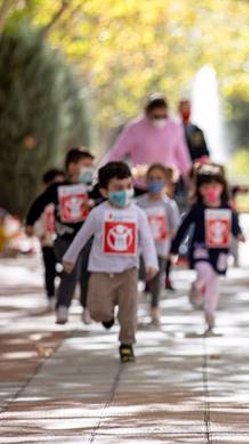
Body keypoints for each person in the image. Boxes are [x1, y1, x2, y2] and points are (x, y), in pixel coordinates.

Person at [62, 162, 159, 363]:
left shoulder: (138, 214)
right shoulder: (98, 214)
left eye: (128, 186)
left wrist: (152, 263)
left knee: (128, 311)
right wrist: (69, 258)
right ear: (105, 191)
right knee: (97, 310)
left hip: (128, 271)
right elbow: (82, 236)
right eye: (117, 188)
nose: (124, 192)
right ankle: (106, 317)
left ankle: (127, 343)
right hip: (100, 271)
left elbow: (147, 240)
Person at [25, 148, 99, 325]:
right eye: (85, 165)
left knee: (88, 274)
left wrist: (93, 202)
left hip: (88, 239)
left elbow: (104, 201)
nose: (90, 169)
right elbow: (39, 203)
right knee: (70, 270)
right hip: (65, 238)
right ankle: (63, 306)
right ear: (72, 167)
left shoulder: (92, 189)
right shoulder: (58, 188)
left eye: (92, 165)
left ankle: (87, 307)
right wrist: (29, 223)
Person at [170, 164, 244, 335]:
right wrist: (175, 249)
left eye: (215, 186)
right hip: (200, 249)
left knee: (214, 284)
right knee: (204, 272)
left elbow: (233, 223)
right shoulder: (198, 208)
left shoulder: (226, 207)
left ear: (222, 188)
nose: (211, 190)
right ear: (200, 189)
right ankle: (196, 287)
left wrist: (238, 234)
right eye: (206, 187)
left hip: (220, 252)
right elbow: (184, 227)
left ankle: (210, 314)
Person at [101, 93, 192, 185]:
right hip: (141, 184)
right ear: (148, 113)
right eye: (156, 116)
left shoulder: (175, 127)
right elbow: (117, 153)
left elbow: (182, 156)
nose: (160, 120)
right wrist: (102, 174)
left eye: (163, 116)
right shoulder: (135, 128)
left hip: (167, 185)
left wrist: (190, 179)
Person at [135, 164, 180, 327]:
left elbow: (175, 228)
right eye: (151, 178)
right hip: (140, 250)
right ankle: (133, 306)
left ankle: (155, 308)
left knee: (157, 280)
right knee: (138, 276)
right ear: (146, 180)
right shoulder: (138, 203)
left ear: (166, 181)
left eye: (159, 178)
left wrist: (164, 233)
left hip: (161, 249)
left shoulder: (169, 205)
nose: (155, 182)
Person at [32, 169, 66, 311]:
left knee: (66, 269)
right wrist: (40, 234)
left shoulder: (65, 201)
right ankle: (51, 295)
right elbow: (36, 219)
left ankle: (64, 295)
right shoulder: (43, 202)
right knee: (49, 269)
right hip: (47, 242)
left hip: (62, 241)